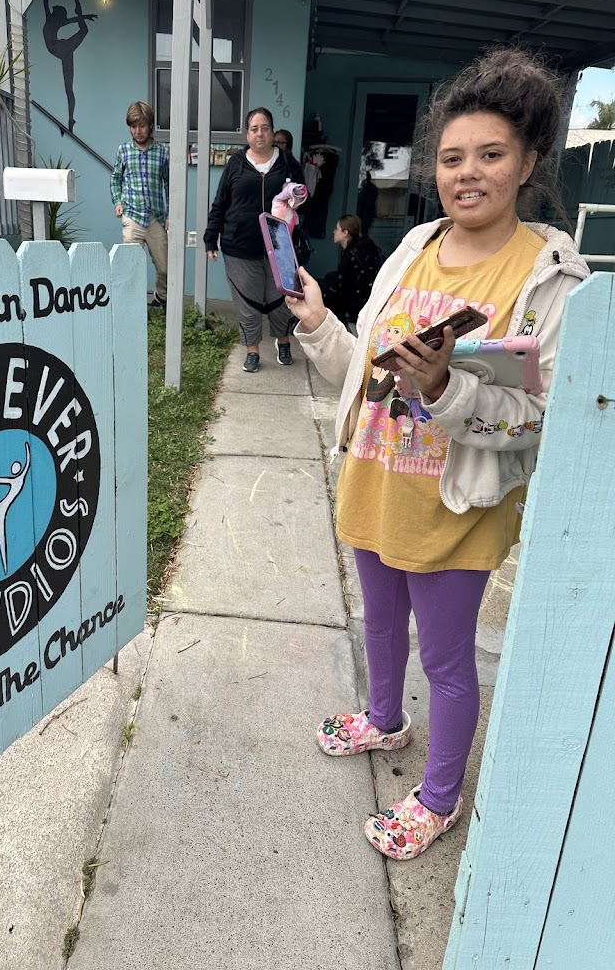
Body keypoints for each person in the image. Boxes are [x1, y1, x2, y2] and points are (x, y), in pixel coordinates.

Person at [287, 48, 588, 860]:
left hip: (454, 508)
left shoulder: (549, 277)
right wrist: (318, 325)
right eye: (452, 158)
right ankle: (385, 720)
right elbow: (367, 375)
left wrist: (446, 389)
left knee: (449, 661)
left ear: (528, 161)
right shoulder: (415, 245)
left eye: (491, 155)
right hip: (375, 481)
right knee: (379, 625)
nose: (468, 174)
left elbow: (536, 421)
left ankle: (439, 797)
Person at [204, 107, 306, 372]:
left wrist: (297, 198)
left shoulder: (287, 162)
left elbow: (304, 199)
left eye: (265, 128)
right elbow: (220, 202)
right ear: (247, 135)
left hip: (280, 245)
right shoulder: (236, 164)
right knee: (247, 301)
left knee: (281, 297)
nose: (260, 133)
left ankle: (283, 341)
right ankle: (252, 350)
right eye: (254, 129)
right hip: (240, 245)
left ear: (272, 132)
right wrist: (210, 237)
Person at [110, 101, 170, 308]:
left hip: (156, 218)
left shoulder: (162, 152)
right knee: (130, 266)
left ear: (150, 125)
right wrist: (118, 201)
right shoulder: (124, 150)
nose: (138, 131)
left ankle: (162, 297)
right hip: (132, 216)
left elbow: (169, 183)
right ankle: (130, 306)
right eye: (133, 126)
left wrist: (170, 214)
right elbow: (115, 178)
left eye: (142, 126)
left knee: (164, 267)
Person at [42, 0, 97, 134]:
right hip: (60, 48)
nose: (65, 20)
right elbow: (45, 1)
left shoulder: (55, 20)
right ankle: (70, 118)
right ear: (59, 14)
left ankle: (71, 119)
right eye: (64, 17)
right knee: (84, 30)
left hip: (62, 50)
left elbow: (71, 19)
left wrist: (84, 16)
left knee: (69, 88)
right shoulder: (52, 18)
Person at [321, 214, 382, 327]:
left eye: (337, 229)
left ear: (345, 233)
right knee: (329, 278)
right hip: (368, 298)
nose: (334, 232)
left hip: (359, 304)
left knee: (326, 289)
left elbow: (342, 287)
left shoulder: (352, 256)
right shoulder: (364, 246)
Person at [357, 170, 378, 237]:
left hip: (365, 215)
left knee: (363, 232)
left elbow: (368, 202)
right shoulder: (364, 187)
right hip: (361, 214)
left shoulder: (371, 189)